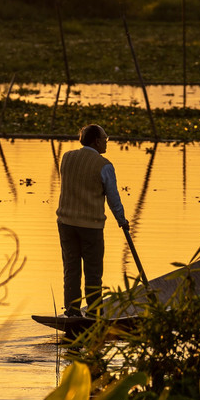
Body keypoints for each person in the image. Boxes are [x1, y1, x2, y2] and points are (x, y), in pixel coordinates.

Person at [56, 123, 129, 317]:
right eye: (105, 139)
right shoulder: (104, 165)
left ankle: (72, 311)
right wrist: (122, 220)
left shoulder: (66, 158)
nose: (106, 142)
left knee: (71, 269)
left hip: (66, 223)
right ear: (97, 141)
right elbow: (113, 198)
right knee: (93, 271)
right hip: (91, 226)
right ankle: (95, 312)